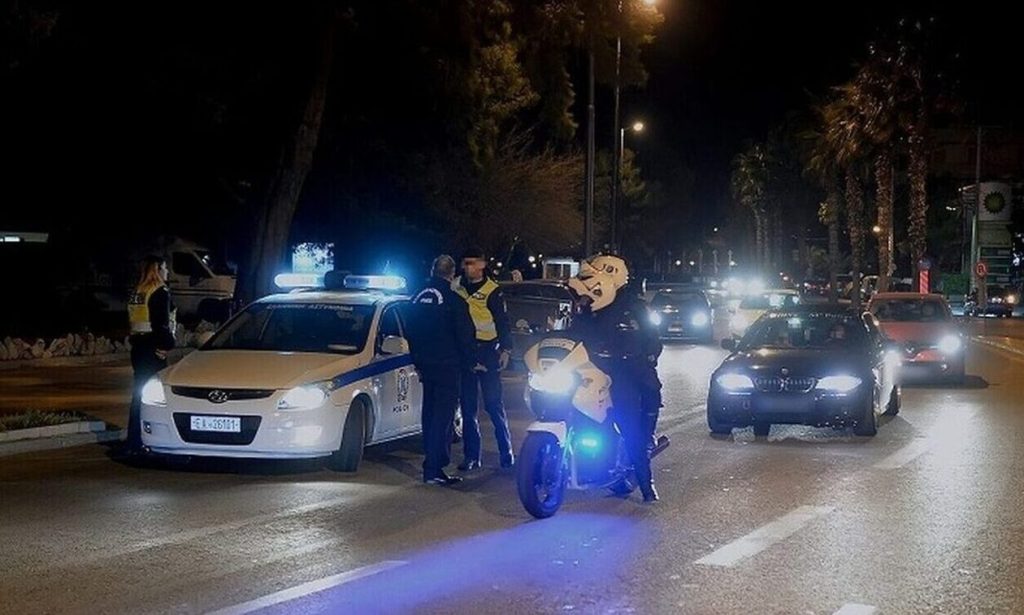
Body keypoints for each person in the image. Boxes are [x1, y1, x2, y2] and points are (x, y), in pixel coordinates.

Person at [567, 255, 663, 503]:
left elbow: (653, 341)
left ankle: (646, 484)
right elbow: (572, 336)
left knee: (630, 426)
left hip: (625, 373)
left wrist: (642, 357)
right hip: (592, 372)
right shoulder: (587, 310)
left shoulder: (636, 308)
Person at [402, 255, 477, 486]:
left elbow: (409, 330)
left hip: (425, 364)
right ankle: (434, 467)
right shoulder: (454, 302)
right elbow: (465, 336)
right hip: (448, 365)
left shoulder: (416, 298)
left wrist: (417, 358)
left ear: (433, 271)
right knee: (443, 417)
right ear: (452, 274)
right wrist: (470, 362)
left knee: (430, 413)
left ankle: (431, 464)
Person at [455, 247, 515, 470]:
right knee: (468, 407)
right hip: (466, 352)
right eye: (465, 263)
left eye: (472, 263)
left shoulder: (492, 290)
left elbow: (502, 321)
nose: (467, 267)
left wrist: (506, 349)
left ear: (482, 265)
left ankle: (506, 452)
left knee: (493, 404)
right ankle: (472, 456)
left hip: (488, 351)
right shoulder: (458, 287)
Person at [125, 255, 176, 454]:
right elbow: (161, 324)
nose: (167, 271)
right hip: (153, 349)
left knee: (139, 393)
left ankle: (134, 439)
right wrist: (166, 345)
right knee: (153, 396)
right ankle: (146, 439)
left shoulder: (138, 291)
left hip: (138, 347)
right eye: (164, 267)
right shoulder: (159, 292)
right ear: (157, 269)